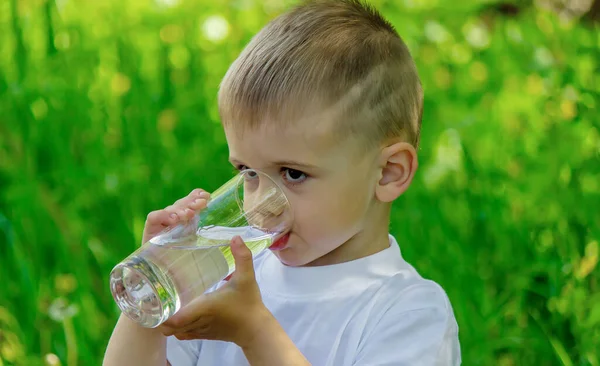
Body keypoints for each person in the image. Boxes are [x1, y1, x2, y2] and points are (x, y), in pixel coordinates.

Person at [103, 0, 461, 365]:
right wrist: (150, 298)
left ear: (388, 172)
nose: (260, 205)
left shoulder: (407, 313)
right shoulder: (223, 274)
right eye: (247, 173)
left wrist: (255, 333)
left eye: (293, 174)